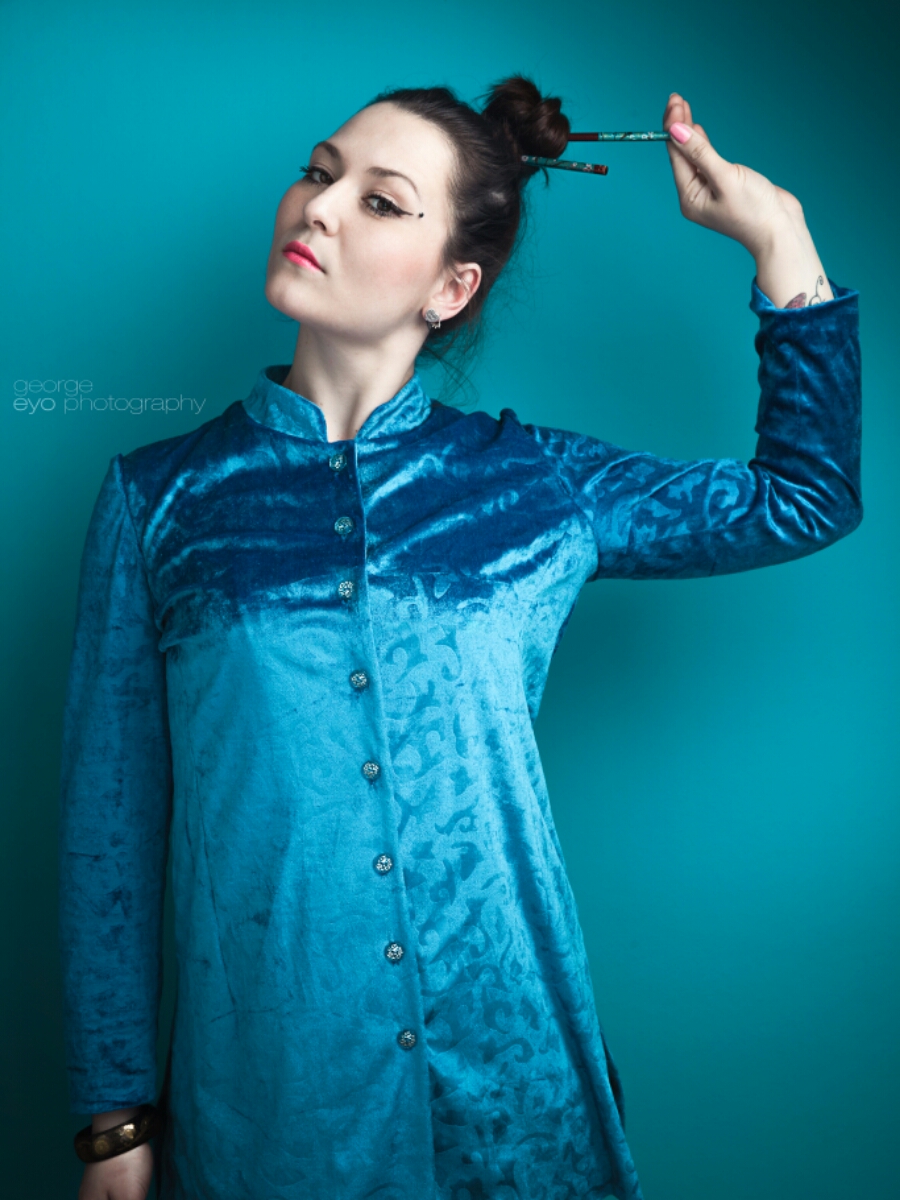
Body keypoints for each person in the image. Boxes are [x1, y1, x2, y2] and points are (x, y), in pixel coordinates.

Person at [58, 76, 862, 1200]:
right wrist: (113, 1117)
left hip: (518, 1096)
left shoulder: (536, 483)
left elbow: (804, 497)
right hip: (277, 1099)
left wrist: (780, 237)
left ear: (452, 286)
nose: (319, 207)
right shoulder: (158, 499)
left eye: (380, 201)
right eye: (318, 173)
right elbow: (110, 828)